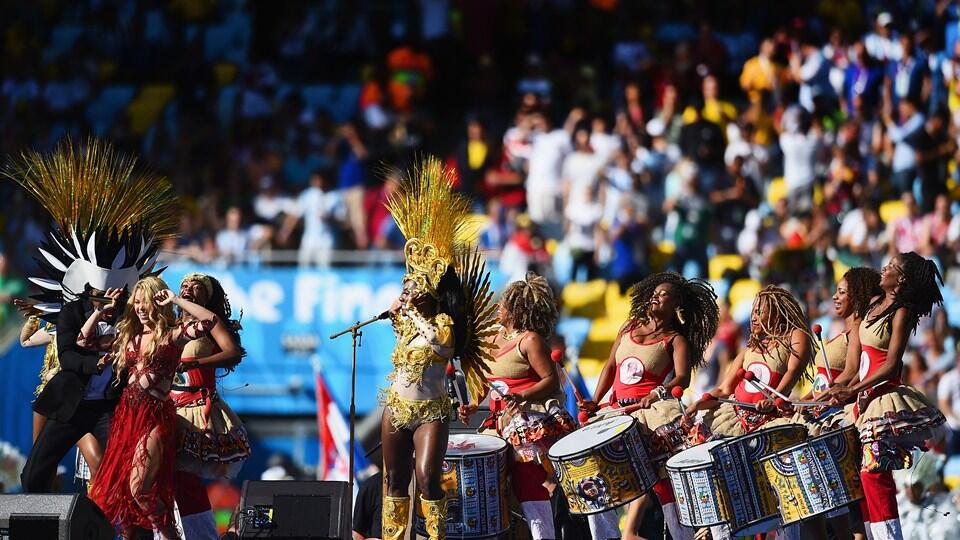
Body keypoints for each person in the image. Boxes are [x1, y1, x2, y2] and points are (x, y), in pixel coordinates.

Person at [11, 138, 179, 495]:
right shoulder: (71, 311)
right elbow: (71, 353)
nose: (110, 296)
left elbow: (152, 338)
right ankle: (38, 520)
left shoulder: (131, 317)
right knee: (35, 473)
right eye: (102, 292)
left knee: (118, 471)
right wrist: (97, 360)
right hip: (69, 402)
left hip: (109, 408)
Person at [380, 158, 495, 540]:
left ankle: (435, 536)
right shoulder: (404, 321)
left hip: (431, 411)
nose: (407, 290)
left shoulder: (442, 325)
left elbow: (441, 349)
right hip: (396, 406)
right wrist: (401, 312)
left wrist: (413, 314)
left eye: (414, 286)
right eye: (406, 284)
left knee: (428, 478)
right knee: (393, 478)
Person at [86, 278, 238, 540]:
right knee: (122, 492)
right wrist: (99, 310)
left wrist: (177, 300)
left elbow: (213, 325)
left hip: (162, 414)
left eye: (147, 301)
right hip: (127, 418)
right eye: (138, 302)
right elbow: (84, 341)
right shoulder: (129, 337)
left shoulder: (171, 335)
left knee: (144, 488)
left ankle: (174, 535)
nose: (141, 307)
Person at [580, 272, 719, 540]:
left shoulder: (675, 339)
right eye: (654, 292)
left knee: (663, 483)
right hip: (616, 411)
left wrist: (658, 392)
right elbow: (610, 366)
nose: (656, 296)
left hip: (651, 415)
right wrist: (595, 401)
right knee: (595, 479)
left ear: (676, 303)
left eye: (664, 293)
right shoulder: (628, 327)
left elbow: (682, 377)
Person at [824, 252, 946, 540]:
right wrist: (840, 390)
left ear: (900, 280)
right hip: (863, 402)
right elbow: (860, 366)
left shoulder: (900, 312)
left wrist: (854, 389)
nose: (884, 268)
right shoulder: (871, 306)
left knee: (875, 475)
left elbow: (892, 365)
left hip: (883, 403)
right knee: (864, 478)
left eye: (891, 267)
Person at [458, 272, 575, 540]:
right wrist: (474, 405)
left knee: (528, 487)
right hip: (501, 424)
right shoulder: (492, 338)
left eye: (503, 305)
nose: (498, 307)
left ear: (516, 310)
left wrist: (523, 396)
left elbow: (551, 382)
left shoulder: (530, 340)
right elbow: (488, 383)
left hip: (529, 425)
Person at [172, 273, 249, 540]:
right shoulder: (168, 325)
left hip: (195, 411)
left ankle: (200, 534)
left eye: (196, 287)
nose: (188, 289)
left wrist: (197, 364)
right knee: (164, 479)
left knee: (184, 478)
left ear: (207, 297)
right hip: (167, 410)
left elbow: (233, 352)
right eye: (183, 285)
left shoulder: (208, 324)